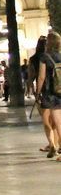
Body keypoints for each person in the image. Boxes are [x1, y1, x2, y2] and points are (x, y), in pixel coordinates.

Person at [35, 30, 61, 159]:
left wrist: (37, 92)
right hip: (60, 92)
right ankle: (55, 146)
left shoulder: (45, 57)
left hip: (49, 93)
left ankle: (52, 145)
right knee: (58, 122)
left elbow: (41, 77)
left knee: (47, 121)